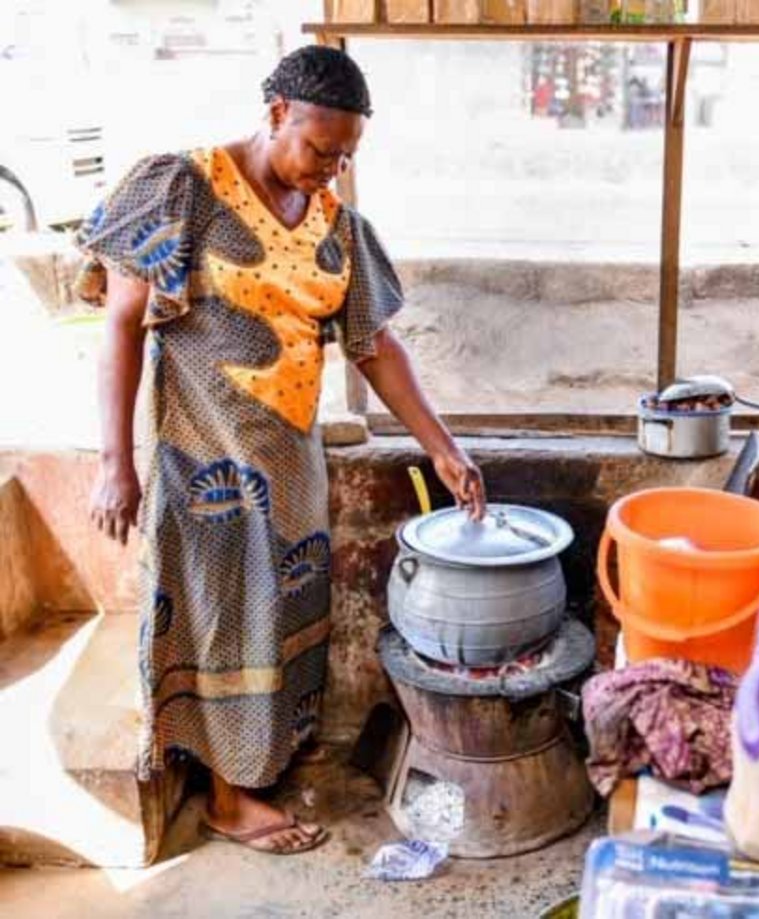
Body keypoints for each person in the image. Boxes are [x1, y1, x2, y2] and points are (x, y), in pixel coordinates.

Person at [79, 46, 486, 855]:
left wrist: (442, 446)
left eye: (345, 157)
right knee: (223, 619)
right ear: (276, 116)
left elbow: (374, 346)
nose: (330, 171)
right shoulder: (182, 187)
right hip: (204, 463)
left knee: (282, 619)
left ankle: (259, 766)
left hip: (291, 465)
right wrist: (113, 460)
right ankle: (229, 797)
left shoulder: (338, 227)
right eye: (320, 149)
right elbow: (120, 325)